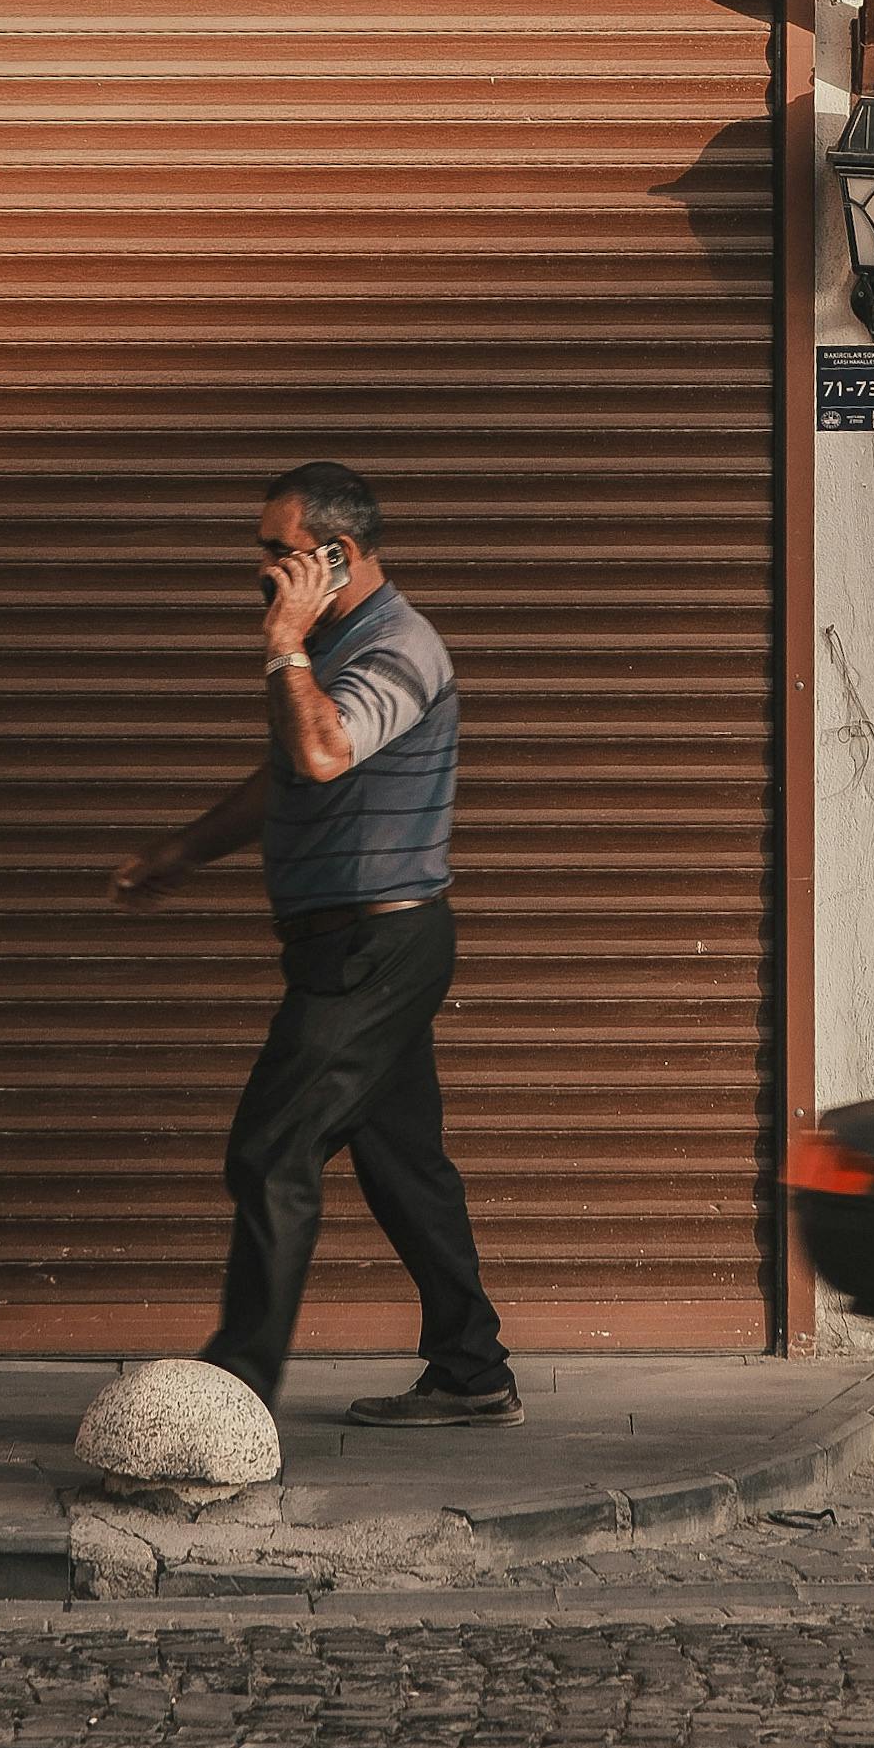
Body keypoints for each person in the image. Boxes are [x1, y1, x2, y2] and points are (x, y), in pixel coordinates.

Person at [109, 460, 518, 1429]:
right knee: (403, 1163)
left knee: (269, 1148)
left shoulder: (394, 647)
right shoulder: (333, 647)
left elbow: (323, 749)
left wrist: (284, 645)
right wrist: (182, 851)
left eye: (276, 554)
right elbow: (285, 779)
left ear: (334, 554)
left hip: (375, 947)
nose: (260, 571)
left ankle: (234, 1390)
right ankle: (471, 1368)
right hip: (360, 944)